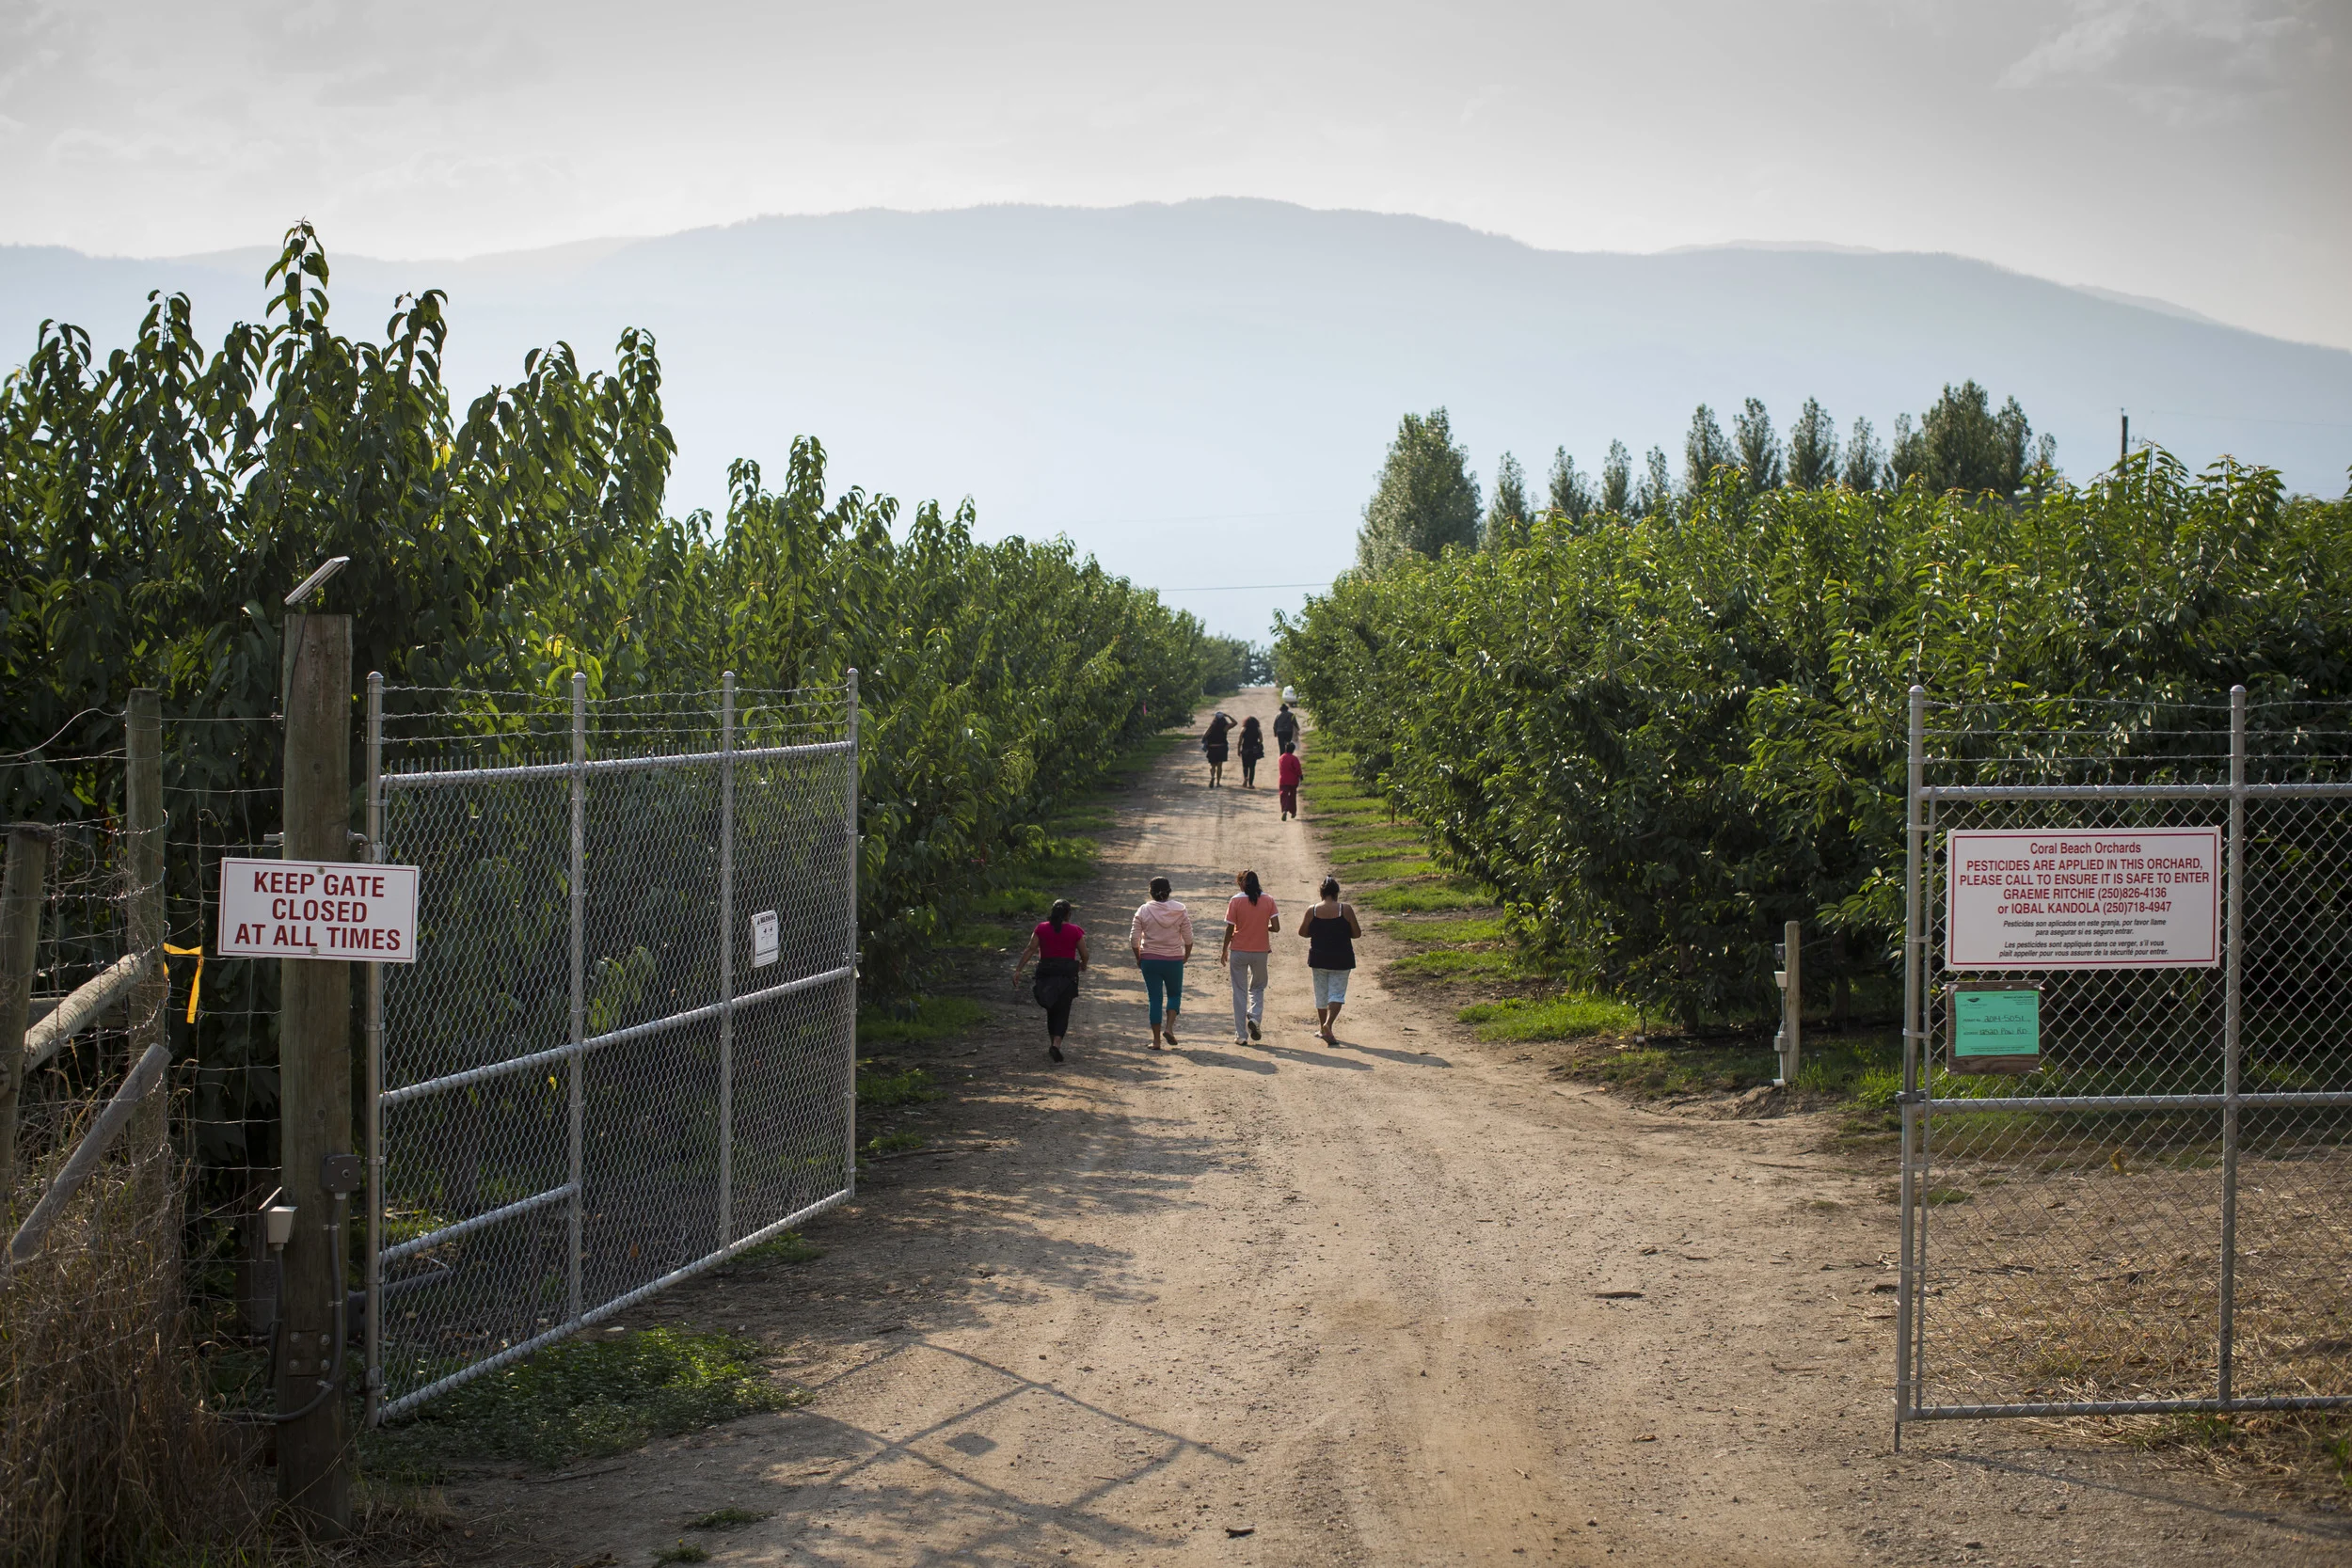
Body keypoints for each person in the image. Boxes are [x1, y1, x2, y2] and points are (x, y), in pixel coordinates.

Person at [1012, 899, 1089, 1062]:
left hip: (1046, 972)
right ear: (1068, 914)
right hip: (1067, 975)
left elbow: (1030, 949)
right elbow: (1084, 953)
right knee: (1063, 1010)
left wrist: (1019, 969)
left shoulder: (1041, 928)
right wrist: (1083, 964)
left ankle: (1052, 1042)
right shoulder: (1075, 931)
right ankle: (1056, 1044)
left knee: (1051, 1009)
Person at [1296, 875, 1362, 1046]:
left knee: (1321, 994)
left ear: (1321, 892)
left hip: (1319, 958)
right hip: (1342, 958)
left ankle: (1322, 1027)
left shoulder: (1313, 910)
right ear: (1337, 892)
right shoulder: (1345, 909)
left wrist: (1317, 931)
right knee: (1337, 994)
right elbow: (1357, 933)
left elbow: (1302, 932)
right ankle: (1329, 1024)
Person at [1129, 876, 1193, 1048]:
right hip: (1174, 960)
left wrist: (1138, 957)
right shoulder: (1180, 910)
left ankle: (1156, 1041)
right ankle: (1170, 1028)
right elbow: (1188, 938)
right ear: (1169, 891)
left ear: (1150, 892)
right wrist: (1186, 955)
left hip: (1150, 960)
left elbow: (1134, 938)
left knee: (1154, 999)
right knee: (1174, 994)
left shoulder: (1143, 910)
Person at [1219, 869, 1279, 1044]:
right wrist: (1262, 926)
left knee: (1239, 991)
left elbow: (1230, 928)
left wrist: (1224, 949)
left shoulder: (1235, 901)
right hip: (1260, 952)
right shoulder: (1268, 900)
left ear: (1240, 884)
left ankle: (1241, 1036)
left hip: (1239, 950)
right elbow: (1276, 927)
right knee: (1258, 987)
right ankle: (1254, 1018)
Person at [1202, 712, 1232, 788]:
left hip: (1212, 748)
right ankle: (1218, 783)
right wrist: (1228, 716)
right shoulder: (1225, 727)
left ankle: (1212, 777)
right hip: (1221, 748)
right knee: (1219, 766)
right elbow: (1235, 723)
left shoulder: (1211, 727)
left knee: (1213, 766)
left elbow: (1205, 735)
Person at [1277, 741, 1303, 821]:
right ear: (1293, 750)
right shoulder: (1294, 758)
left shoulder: (1281, 758)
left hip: (1283, 780)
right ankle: (1293, 812)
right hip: (1293, 780)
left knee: (1283, 795)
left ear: (1285, 749)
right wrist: (1300, 776)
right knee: (1292, 795)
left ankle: (1284, 810)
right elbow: (1298, 769)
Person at [1236, 715, 1265, 788]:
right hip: (1253, 750)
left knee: (1245, 766)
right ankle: (1251, 784)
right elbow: (1261, 740)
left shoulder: (1243, 729)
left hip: (1245, 749)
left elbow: (1240, 741)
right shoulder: (1258, 729)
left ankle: (1246, 778)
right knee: (1252, 767)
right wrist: (1258, 744)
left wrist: (1238, 750)